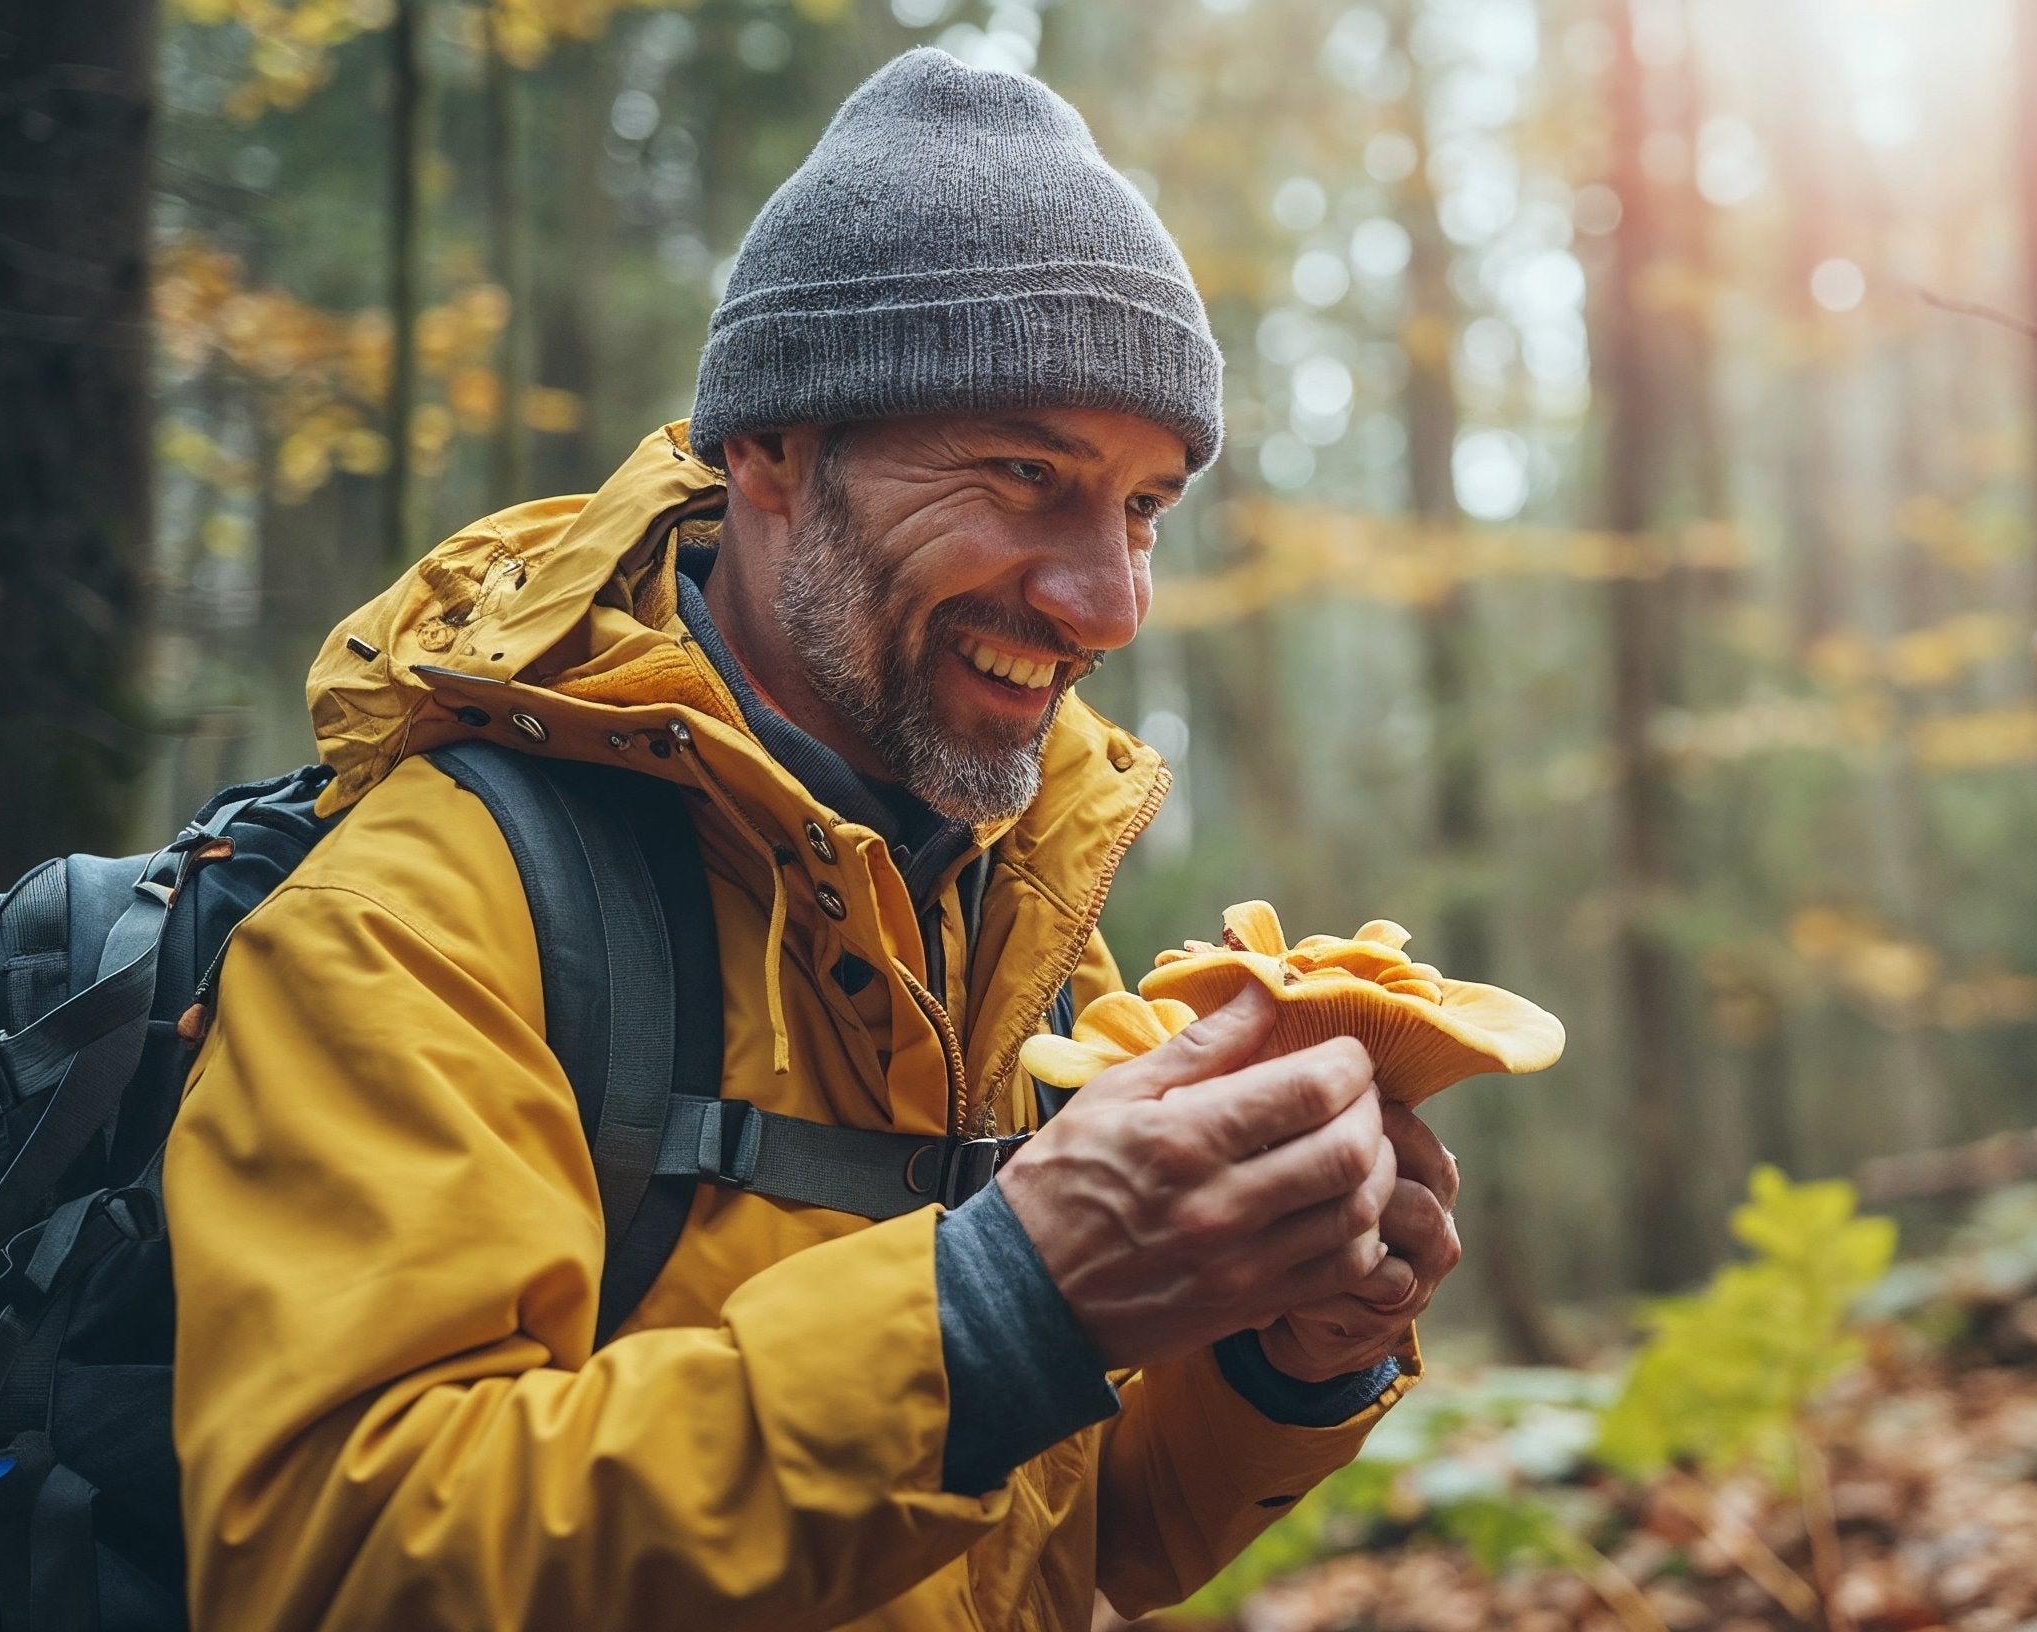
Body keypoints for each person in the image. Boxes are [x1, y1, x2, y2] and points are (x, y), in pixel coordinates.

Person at [164, 48, 1458, 1632]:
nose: (1107, 601)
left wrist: (1281, 1354)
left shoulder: (1011, 918)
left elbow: (1072, 1535)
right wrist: (998, 1307)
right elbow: (337, 1567)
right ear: (770, 449)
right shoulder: (428, 916)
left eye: (1141, 509)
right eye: (1024, 474)